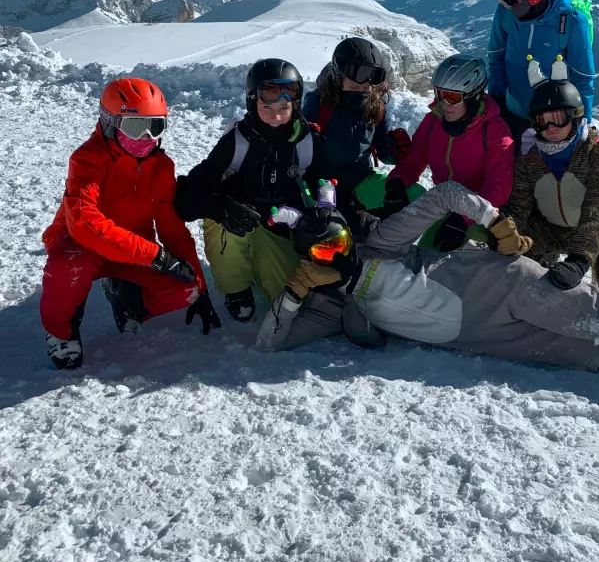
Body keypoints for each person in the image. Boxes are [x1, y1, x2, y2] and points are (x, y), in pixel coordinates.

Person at [255, 182, 599, 407]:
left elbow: (445, 195)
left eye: (337, 242)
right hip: (491, 339)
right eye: (321, 256)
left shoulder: (378, 243)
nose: (337, 255)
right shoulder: (329, 303)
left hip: (499, 283)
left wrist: (497, 223)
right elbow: (268, 347)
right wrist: (295, 295)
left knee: (597, 313)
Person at [40, 78, 220, 370]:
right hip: (82, 247)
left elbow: (172, 230)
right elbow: (85, 223)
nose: (147, 137)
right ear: (111, 123)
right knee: (69, 266)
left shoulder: (161, 167)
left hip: (131, 250)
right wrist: (154, 255)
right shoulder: (87, 160)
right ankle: (62, 331)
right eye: (136, 127)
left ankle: (127, 302)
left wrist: (200, 287)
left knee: (182, 289)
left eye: (156, 126)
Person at [174, 58, 331, 323]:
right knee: (223, 226)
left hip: (281, 232)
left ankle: (259, 271)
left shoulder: (309, 143)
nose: (276, 116)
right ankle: (236, 288)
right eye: (267, 106)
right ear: (252, 102)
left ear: (296, 105)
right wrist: (220, 208)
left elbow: (327, 189)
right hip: (236, 226)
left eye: (284, 107)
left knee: (291, 303)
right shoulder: (236, 143)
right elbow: (186, 197)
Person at [505, 68, 599, 291]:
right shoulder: (529, 157)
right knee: (508, 263)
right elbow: (519, 206)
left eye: (558, 119)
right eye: (542, 120)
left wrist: (579, 261)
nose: (550, 127)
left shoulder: (597, 153)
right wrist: (504, 235)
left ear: (574, 115)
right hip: (551, 228)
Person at [385, 54, 514, 251]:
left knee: (454, 253)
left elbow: (499, 187)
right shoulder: (434, 120)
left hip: (476, 211)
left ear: (472, 96)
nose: (444, 104)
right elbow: (414, 160)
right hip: (442, 203)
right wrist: (397, 183)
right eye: (439, 94)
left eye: (453, 97)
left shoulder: (495, 130)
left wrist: (463, 219)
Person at [488, 0, 595, 148]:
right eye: (501, 0)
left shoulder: (571, 22)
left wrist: (583, 123)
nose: (506, 6)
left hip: (554, 123)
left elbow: (583, 78)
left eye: (511, 0)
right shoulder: (506, 14)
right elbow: (496, 57)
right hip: (512, 112)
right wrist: (497, 100)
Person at [302, 37, 419, 213]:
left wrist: (395, 150)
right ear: (338, 76)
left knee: (419, 197)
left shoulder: (376, 106)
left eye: (369, 84)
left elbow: (383, 151)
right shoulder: (319, 104)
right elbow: (296, 149)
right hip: (321, 186)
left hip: (361, 180)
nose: (364, 87)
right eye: (356, 83)